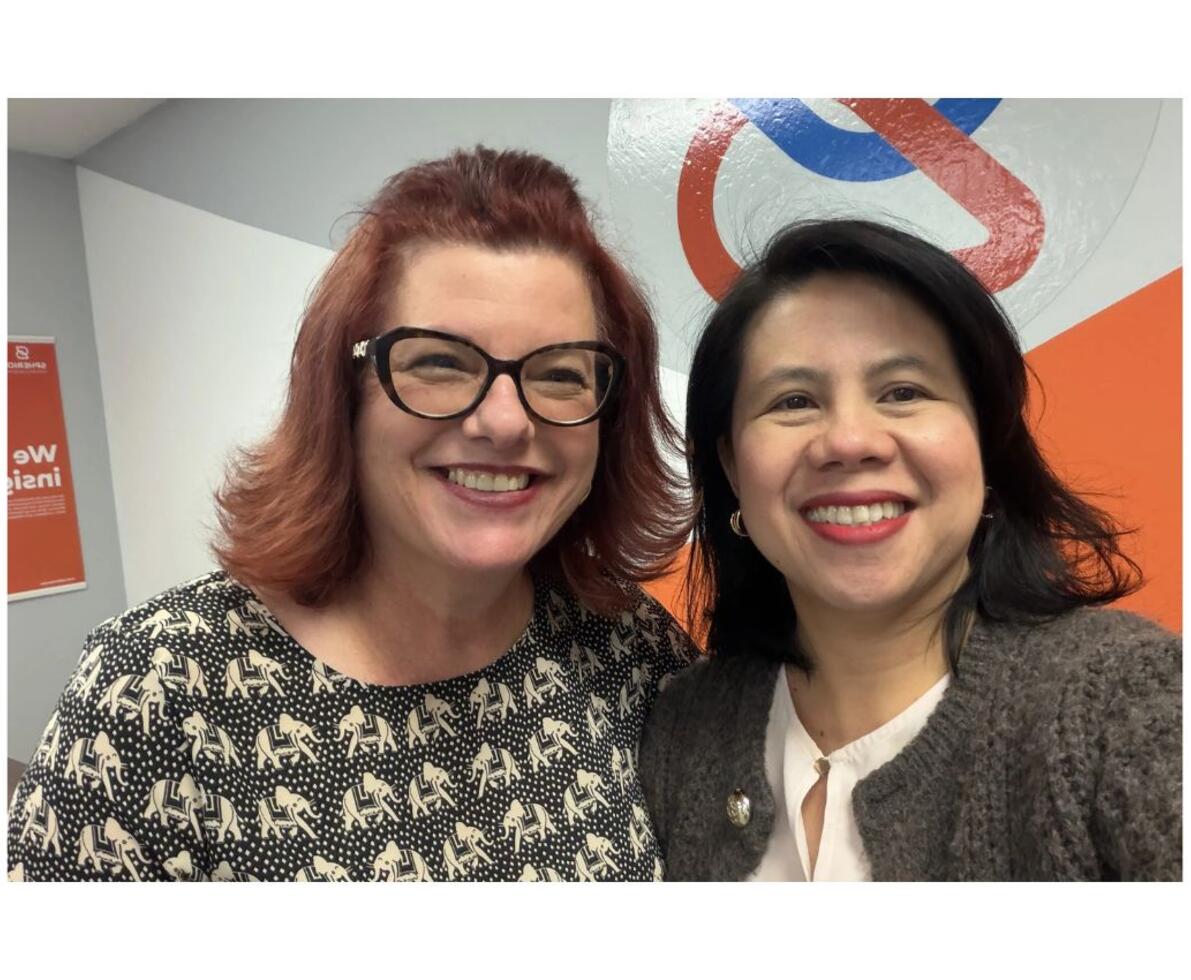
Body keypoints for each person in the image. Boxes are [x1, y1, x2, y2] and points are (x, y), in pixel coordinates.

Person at [8, 147, 695, 882]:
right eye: (439, 362)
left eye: (559, 374)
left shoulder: (636, 653)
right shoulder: (156, 690)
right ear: (343, 396)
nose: (504, 421)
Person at [639, 218, 1181, 881]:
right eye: (794, 401)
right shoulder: (682, 727)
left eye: (903, 392)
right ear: (730, 466)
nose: (849, 441)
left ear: (986, 441)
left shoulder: (1127, 701)